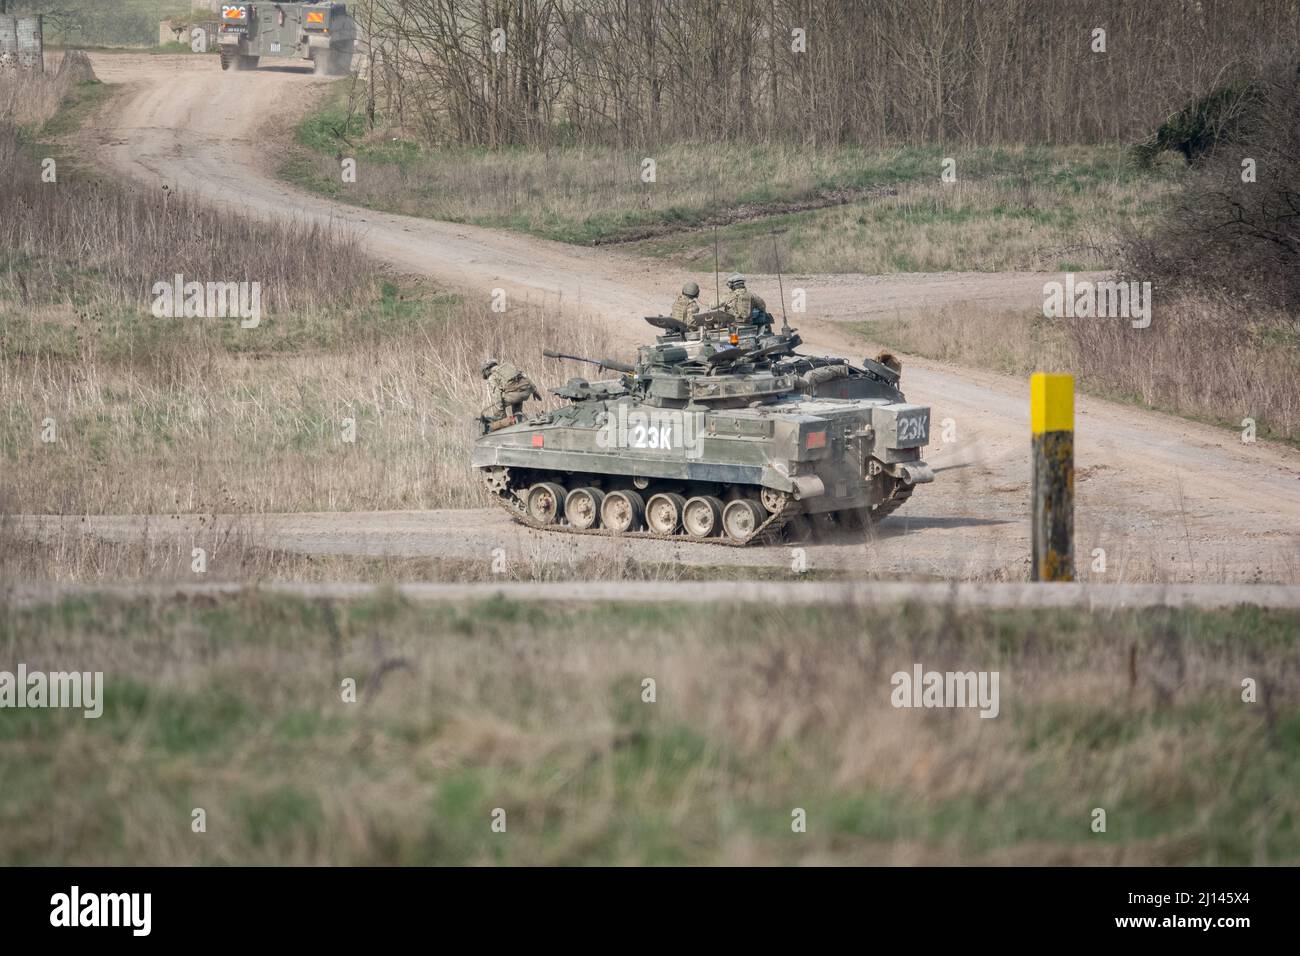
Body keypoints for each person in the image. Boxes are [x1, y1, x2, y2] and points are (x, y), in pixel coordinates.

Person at [480, 358, 540, 430]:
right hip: (526, 391)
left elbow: (496, 395)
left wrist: (500, 414)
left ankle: (504, 419)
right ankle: (518, 414)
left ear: (486, 370)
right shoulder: (508, 367)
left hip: (514, 395)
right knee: (514, 392)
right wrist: (534, 390)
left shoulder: (492, 377)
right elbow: (524, 376)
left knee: (504, 398)